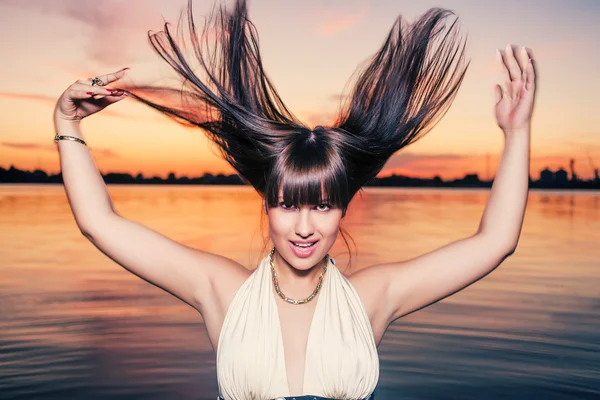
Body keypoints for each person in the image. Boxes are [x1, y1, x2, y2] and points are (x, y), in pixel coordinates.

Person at [53, 0, 536, 399]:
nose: (304, 226)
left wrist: (516, 133)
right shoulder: (223, 291)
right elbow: (100, 223)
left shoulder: (373, 297)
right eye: (287, 205)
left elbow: (496, 242)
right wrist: (67, 125)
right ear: (266, 205)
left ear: (345, 209)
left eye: (323, 206)